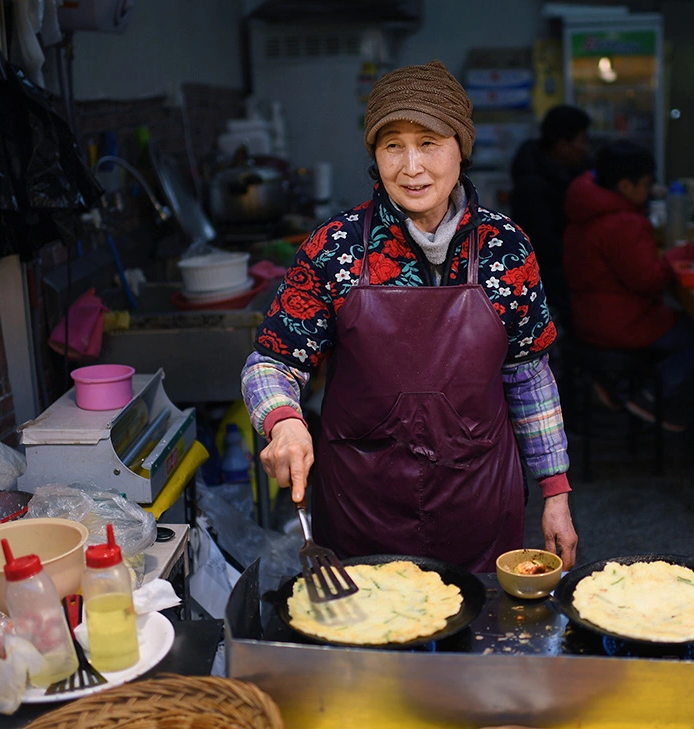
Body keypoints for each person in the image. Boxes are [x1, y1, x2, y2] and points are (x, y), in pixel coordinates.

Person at [240, 60, 578, 572]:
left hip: (480, 502)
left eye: (429, 142)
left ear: (460, 149)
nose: (412, 166)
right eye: (392, 144)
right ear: (375, 155)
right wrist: (284, 422)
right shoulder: (336, 248)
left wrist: (556, 492)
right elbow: (270, 363)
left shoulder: (504, 248)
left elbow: (529, 376)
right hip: (361, 507)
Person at [562, 141, 694, 430]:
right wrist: (685, 253)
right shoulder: (623, 222)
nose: (649, 190)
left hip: (586, 316)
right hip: (620, 323)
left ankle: (618, 384)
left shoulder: (585, 207)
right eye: (645, 184)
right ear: (626, 186)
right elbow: (649, 280)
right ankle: (649, 396)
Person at [510, 105, 592, 323]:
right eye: (582, 141)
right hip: (549, 286)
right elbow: (547, 250)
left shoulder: (568, 172)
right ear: (562, 145)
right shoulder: (533, 187)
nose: (586, 148)